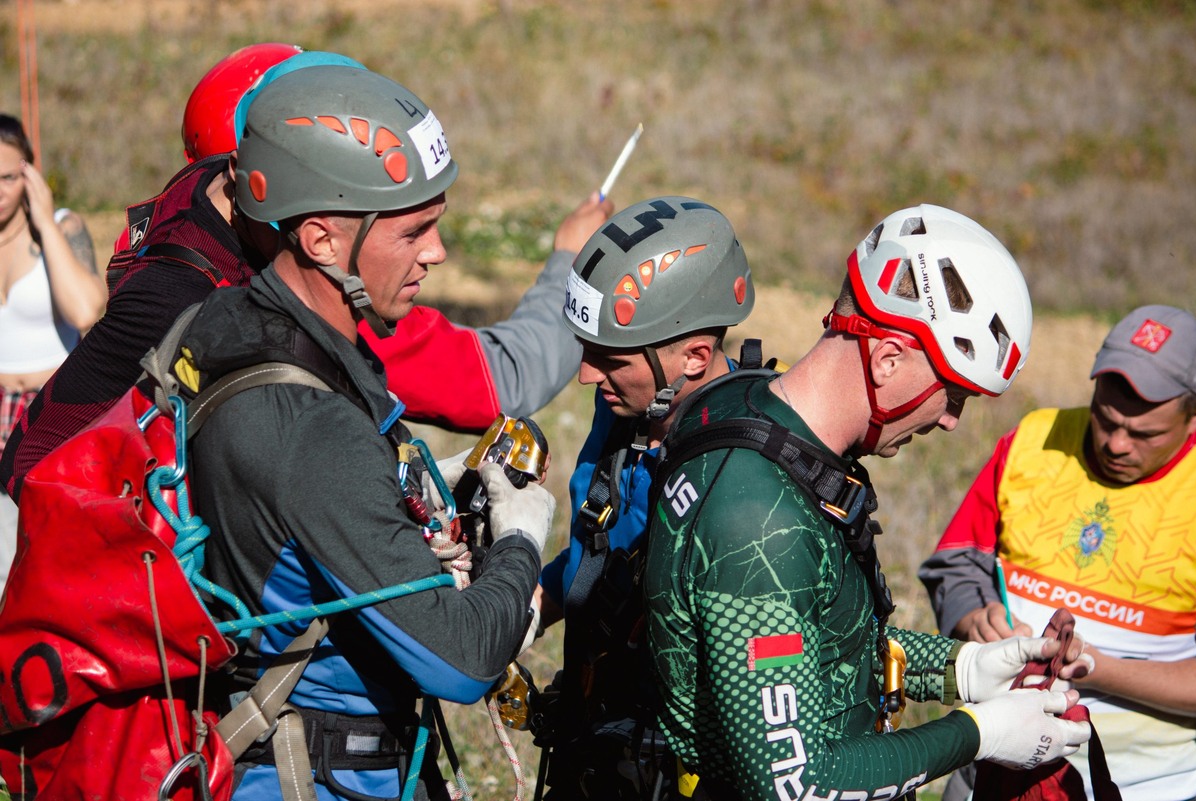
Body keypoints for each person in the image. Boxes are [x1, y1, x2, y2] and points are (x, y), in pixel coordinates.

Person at [175, 64, 556, 799]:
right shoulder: (313, 428)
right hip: (315, 775)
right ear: (322, 239)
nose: (436, 252)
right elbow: (463, 661)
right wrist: (519, 540)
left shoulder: (230, 325)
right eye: (413, 231)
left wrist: (407, 486)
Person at [0, 46, 611, 501]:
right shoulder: (309, 291)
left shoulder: (185, 205)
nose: (436, 253)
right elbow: (503, 378)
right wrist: (569, 262)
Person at [642, 203, 1095, 800]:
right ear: (887, 359)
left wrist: (963, 668)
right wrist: (977, 734)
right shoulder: (759, 519)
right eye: (954, 393)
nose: (952, 421)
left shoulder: (760, 415)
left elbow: (817, 643)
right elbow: (796, 785)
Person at [919, 303, 1196, 801]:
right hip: (989, 774)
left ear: (1194, 415)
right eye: (1104, 419)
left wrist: (1095, 667)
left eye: (1144, 434)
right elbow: (957, 564)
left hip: (1150, 787)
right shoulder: (1036, 439)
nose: (1116, 444)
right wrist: (973, 618)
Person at [527, 196, 757, 799]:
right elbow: (603, 556)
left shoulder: (742, 474)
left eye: (609, 358)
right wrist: (529, 605)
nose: (585, 375)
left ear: (694, 358)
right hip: (597, 744)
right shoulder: (629, 411)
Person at [0, 113, 105, 587]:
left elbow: (85, 310)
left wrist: (43, 219)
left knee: (52, 552)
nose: (0, 191)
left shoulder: (63, 226)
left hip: (47, 412)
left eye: (9, 177)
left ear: (30, 174)